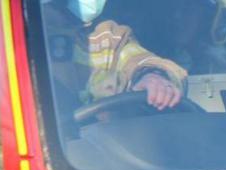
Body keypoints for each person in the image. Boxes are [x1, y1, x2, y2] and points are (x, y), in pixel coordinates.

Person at [44, 0, 188, 111]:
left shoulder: (107, 35)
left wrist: (152, 76)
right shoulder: (30, 42)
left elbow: (141, 59)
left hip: (108, 139)